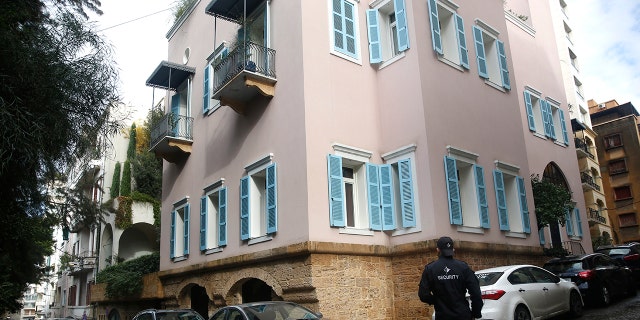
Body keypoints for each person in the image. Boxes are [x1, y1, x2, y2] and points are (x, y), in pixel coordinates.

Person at [418, 236, 483, 320]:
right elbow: (476, 292)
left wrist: (437, 301)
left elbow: (423, 295)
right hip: (463, 315)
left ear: (437, 250)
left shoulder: (430, 269)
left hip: (442, 315)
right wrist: (476, 313)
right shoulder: (463, 267)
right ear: (453, 250)